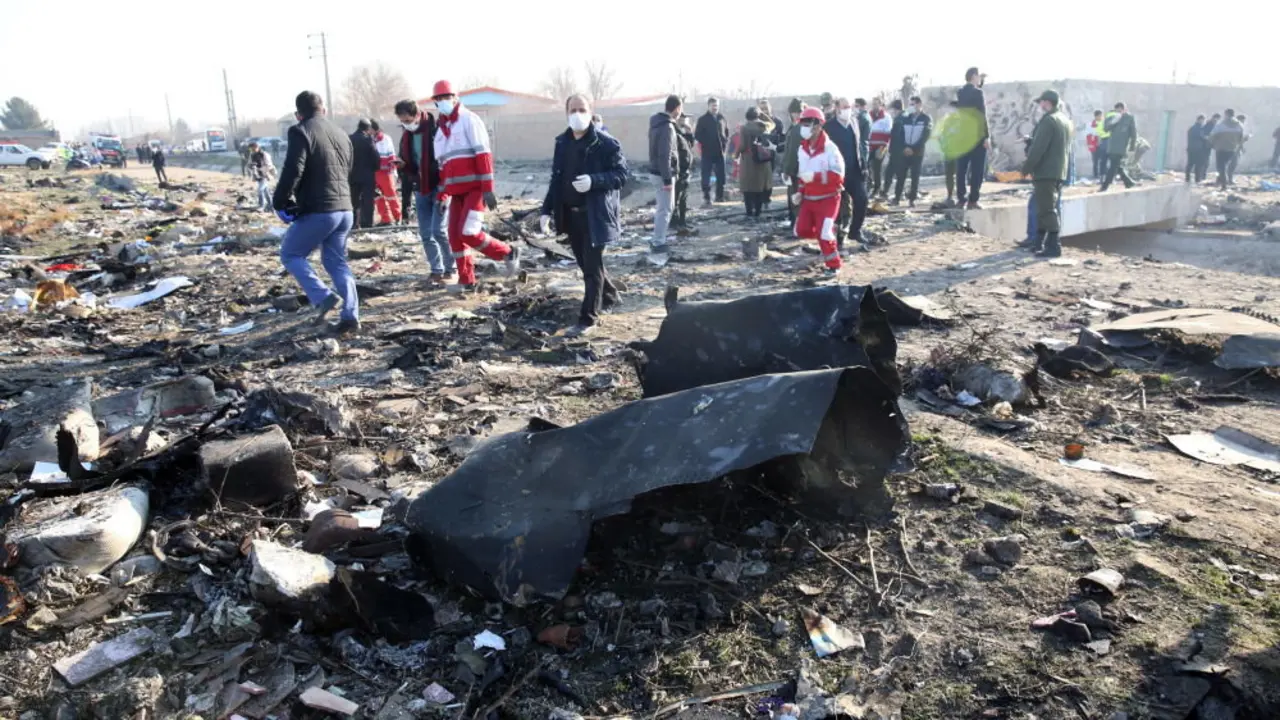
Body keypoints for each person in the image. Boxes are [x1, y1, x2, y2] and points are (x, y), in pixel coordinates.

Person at [538, 94, 627, 336]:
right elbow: (556, 179)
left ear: (590, 111)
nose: (578, 114)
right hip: (570, 215)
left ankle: (588, 319)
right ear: (566, 113)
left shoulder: (606, 144)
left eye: (582, 109)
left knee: (591, 268)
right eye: (573, 110)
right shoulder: (562, 143)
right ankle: (609, 294)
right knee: (586, 263)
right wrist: (546, 210)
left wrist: (594, 181)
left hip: (595, 216)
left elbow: (621, 175)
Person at [272, 90, 359, 335]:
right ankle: (351, 316)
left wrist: (280, 200)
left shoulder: (300, 131)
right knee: (336, 262)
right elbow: (348, 170)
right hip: (345, 209)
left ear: (298, 114)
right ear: (324, 110)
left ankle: (323, 297)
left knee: (291, 254)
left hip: (321, 210)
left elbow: (293, 168)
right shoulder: (341, 133)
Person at [431, 80, 521, 288]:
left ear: (455, 97)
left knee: (469, 233)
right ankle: (467, 281)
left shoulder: (469, 121)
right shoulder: (441, 131)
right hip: (456, 192)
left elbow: (483, 155)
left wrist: (488, 189)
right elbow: (443, 168)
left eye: (447, 97)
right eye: (439, 99)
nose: (443, 102)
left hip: (474, 189)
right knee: (454, 237)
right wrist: (442, 195)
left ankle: (507, 252)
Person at [395, 98, 452, 284]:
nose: (406, 124)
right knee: (426, 233)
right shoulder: (407, 136)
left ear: (417, 115)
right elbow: (412, 165)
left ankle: (451, 267)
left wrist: (445, 190)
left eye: (407, 120)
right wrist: (403, 166)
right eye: (402, 121)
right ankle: (436, 270)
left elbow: (446, 162)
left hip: (439, 186)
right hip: (421, 187)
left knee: (439, 231)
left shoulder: (436, 130)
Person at [1019, 90, 1073, 258]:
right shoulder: (1064, 120)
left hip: (1046, 171)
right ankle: (1039, 243)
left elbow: (1039, 148)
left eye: (1041, 102)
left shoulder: (1048, 120)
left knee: (1047, 210)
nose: (1039, 106)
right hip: (1058, 171)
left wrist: (1026, 168)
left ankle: (1054, 246)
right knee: (1043, 208)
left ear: (1047, 102)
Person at [794, 107, 845, 275]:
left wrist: (815, 177)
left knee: (824, 233)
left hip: (829, 198)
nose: (804, 127)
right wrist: (800, 191)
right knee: (800, 230)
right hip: (809, 198)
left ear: (818, 126)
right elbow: (803, 175)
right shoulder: (802, 150)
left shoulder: (831, 149)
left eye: (808, 123)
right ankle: (829, 230)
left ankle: (833, 265)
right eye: (803, 123)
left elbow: (838, 176)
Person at [825, 97, 867, 251]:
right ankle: (838, 238)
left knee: (862, 200)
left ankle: (855, 231)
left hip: (855, 171)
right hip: (838, 174)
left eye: (849, 106)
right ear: (837, 108)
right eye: (844, 107)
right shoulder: (829, 127)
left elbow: (859, 145)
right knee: (839, 208)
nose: (848, 109)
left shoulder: (854, 123)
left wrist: (864, 165)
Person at [647, 94, 682, 254]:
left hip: (657, 172)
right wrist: (668, 179)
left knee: (665, 207)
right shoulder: (667, 127)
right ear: (677, 108)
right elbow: (665, 154)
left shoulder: (656, 124)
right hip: (663, 174)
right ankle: (658, 242)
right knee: (665, 209)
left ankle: (658, 239)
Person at [955, 67, 989, 209]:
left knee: (961, 169)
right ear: (974, 76)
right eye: (979, 76)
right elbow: (982, 115)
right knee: (977, 169)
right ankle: (973, 200)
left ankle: (961, 198)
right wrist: (986, 136)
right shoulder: (977, 93)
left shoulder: (960, 92)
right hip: (976, 136)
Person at [736, 107, 775, 219]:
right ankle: (758, 212)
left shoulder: (745, 128)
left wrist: (736, 155)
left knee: (748, 187)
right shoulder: (765, 126)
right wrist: (762, 114)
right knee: (759, 188)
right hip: (763, 159)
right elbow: (772, 123)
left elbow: (742, 145)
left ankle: (749, 212)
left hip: (749, 160)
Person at [895, 96, 932, 206]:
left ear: (919, 105)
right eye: (910, 104)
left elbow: (925, 136)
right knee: (901, 175)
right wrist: (905, 147)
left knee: (915, 176)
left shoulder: (926, 119)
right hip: (905, 151)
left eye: (913, 104)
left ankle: (912, 199)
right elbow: (900, 135)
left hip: (917, 152)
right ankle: (897, 198)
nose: (911, 107)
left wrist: (913, 148)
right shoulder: (906, 118)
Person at [694, 97, 730, 205]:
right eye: (713, 106)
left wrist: (724, 142)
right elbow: (697, 135)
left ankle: (719, 196)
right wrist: (707, 143)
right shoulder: (703, 119)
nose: (715, 108)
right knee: (706, 175)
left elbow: (726, 132)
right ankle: (707, 197)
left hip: (720, 152)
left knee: (721, 176)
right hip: (707, 152)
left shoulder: (721, 118)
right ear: (708, 106)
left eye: (717, 106)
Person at [347, 119, 379, 230]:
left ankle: (353, 223)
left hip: (352, 175)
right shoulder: (368, 140)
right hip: (367, 176)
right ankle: (367, 224)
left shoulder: (349, 139)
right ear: (368, 128)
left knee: (353, 200)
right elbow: (375, 157)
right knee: (367, 200)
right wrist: (376, 168)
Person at [1099, 102, 1137, 191]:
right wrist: (1113, 121)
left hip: (1121, 147)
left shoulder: (1129, 118)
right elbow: (1105, 129)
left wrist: (1132, 147)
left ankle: (1105, 186)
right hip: (1112, 146)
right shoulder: (1112, 117)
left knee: (1113, 167)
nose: (1119, 111)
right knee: (1116, 166)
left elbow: (1133, 133)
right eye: (1117, 110)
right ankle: (1128, 182)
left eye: (1120, 110)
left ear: (1124, 109)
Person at [370, 120, 401, 225]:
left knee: (391, 195)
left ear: (374, 129)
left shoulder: (385, 138)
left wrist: (392, 170)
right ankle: (386, 219)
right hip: (374, 172)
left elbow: (391, 155)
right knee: (378, 196)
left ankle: (398, 217)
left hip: (385, 172)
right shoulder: (369, 140)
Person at [782, 98, 807, 222]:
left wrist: (787, 170)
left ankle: (797, 225)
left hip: (796, 171)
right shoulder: (809, 126)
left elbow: (792, 152)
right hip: (807, 170)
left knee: (795, 199)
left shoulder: (797, 128)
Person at [1209, 109, 1245, 189]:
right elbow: (1241, 139)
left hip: (1221, 148)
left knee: (1221, 167)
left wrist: (1212, 144)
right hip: (1232, 149)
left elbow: (1212, 136)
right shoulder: (1239, 125)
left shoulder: (1221, 124)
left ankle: (1223, 185)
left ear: (1226, 114)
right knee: (1225, 165)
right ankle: (1221, 182)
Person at [935, 100, 962, 207]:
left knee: (960, 175)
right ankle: (950, 195)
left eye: (952, 109)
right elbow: (942, 135)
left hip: (959, 152)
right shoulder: (947, 121)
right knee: (949, 175)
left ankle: (961, 197)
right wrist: (942, 143)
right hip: (948, 152)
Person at [672, 113, 695, 232]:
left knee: (683, 198)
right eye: (683, 118)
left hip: (685, 170)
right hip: (678, 170)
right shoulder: (673, 132)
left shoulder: (683, 133)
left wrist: (690, 133)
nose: (685, 121)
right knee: (676, 197)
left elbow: (690, 147)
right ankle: (675, 222)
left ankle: (682, 221)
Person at [881, 100, 905, 202]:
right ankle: (890, 193)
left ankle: (896, 196)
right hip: (898, 150)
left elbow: (896, 136)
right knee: (893, 173)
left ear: (896, 109)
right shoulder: (901, 118)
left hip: (897, 151)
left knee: (893, 173)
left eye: (892, 109)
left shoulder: (899, 120)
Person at [867, 104, 892, 197]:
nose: (875, 106)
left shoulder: (886, 117)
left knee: (877, 168)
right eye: (874, 103)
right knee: (866, 167)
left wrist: (884, 145)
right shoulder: (868, 116)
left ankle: (877, 188)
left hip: (880, 146)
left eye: (877, 103)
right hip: (869, 146)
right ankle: (869, 185)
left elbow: (888, 132)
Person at [248, 141, 276, 211]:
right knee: (266, 191)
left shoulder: (264, 154)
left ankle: (261, 205)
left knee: (260, 190)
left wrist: (259, 169)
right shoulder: (252, 155)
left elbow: (268, 165)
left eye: (253, 148)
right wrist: (251, 167)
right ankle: (271, 205)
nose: (252, 150)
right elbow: (251, 164)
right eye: (251, 149)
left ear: (257, 147)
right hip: (258, 175)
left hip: (265, 175)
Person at [1185, 115, 1208, 184]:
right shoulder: (1199, 128)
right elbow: (1202, 137)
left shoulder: (1191, 128)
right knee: (1198, 165)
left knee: (1190, 164)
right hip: (1198, 149)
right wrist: (1207, 138)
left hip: (1191, 148)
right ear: (1199, 120)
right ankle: (1197, 179)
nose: (1203, 122)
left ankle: (1187, 178)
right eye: (1202, 120)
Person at [853, 98, 872, 173]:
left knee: (862, 171)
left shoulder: (862, 117)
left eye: (857, 106)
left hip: (861, 147)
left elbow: (856, 130)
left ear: (863, 106)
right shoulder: (867, 115)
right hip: (865, 145)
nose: (856, 108)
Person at [1085, 110, 1104, 178]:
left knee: (1103, 160)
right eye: (1100, 116)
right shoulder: (1090, 124)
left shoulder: (1103, 123)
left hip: (1102, 144)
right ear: (1096, 116)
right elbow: (1088, 134)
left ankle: (1102, 175)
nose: (1101, 117)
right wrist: (1096, 135)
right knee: (1095, 161)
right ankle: (1096, 175)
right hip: (1094, 145)